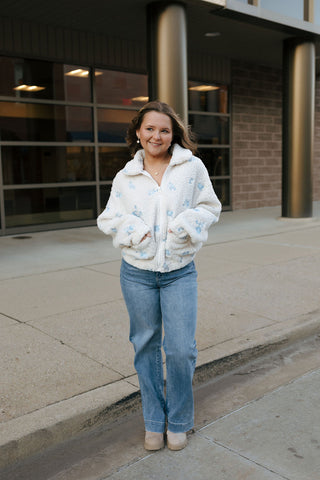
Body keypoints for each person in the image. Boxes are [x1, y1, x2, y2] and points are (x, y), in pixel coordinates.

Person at [97, 101, 221, 451]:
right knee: (145, 345)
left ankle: (179, 420)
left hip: (179, 272)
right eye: (150, 128)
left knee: (181, 350)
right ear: (138, 132)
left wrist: (184, 226)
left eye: (164, 129)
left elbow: (210, 206)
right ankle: (154, 421)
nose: (157, 135)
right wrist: (134, 230)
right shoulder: (126, 176)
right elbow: (109, 218)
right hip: (136, 273)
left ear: (173, 134)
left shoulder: (191, 167)